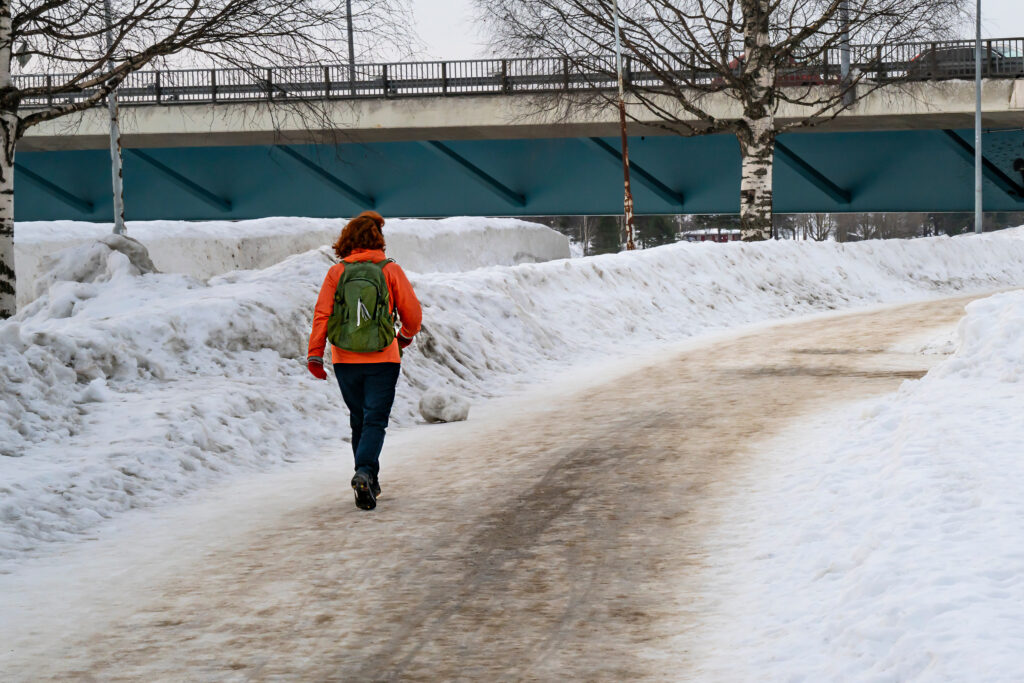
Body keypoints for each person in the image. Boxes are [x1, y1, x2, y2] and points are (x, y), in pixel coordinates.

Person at [307, 211, 422, 510]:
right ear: (378, 240)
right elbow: (413, 315)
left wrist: (315, 355)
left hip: (345, 359)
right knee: (375, 420)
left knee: (359, 419)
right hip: (383, 357)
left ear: (346, 240)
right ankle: (366, 472)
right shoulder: (389, 270)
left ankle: (369, 478)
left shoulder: (337, 273)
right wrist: (405, 337)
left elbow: (322, 315)